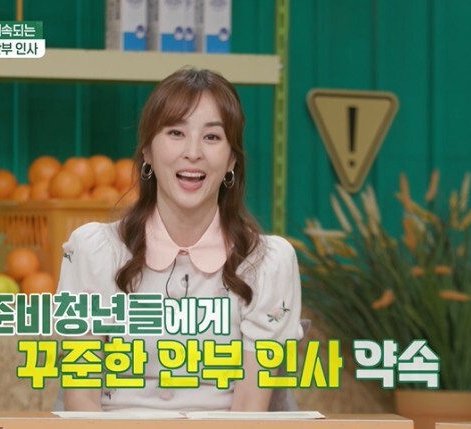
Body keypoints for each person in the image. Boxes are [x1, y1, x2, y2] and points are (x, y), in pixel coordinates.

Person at [56, 68, 304, 412]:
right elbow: (81, 399)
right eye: (176, 132)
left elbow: (250, 409)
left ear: (232, 160)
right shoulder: (94, 251)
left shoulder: (267, 262)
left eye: (212, 137)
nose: (193, 152)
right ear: (147, 152)